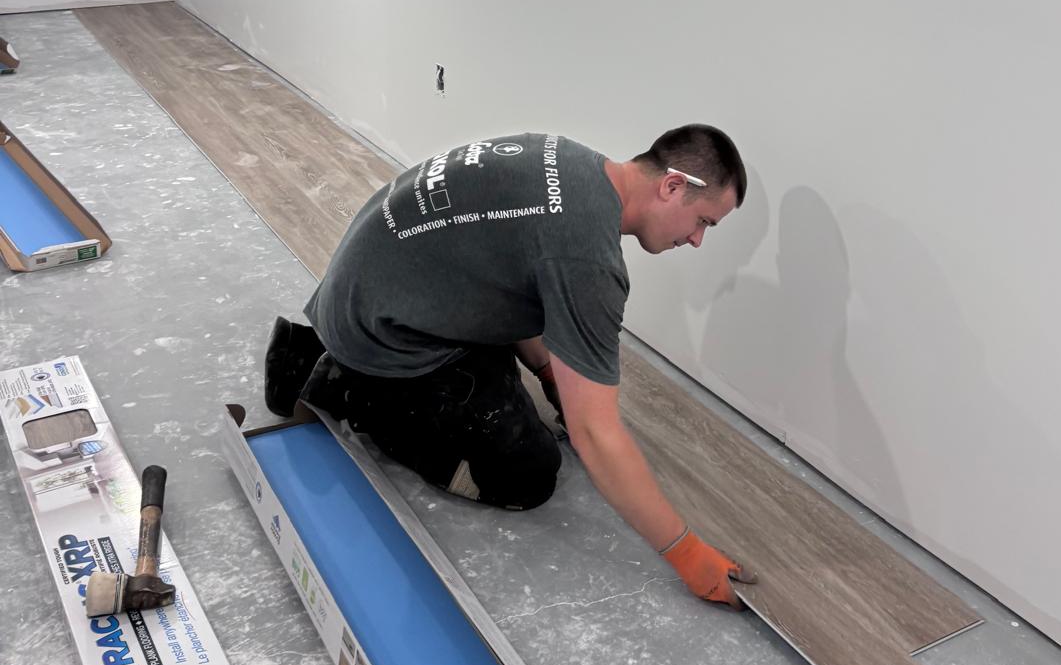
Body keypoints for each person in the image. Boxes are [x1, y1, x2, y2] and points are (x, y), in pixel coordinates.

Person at [265, 125, 754, 607]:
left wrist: (549, 374)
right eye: (703, 222)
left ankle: (344, 356)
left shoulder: (572, 160)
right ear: (672, 186)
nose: (697, 240)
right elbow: (594, 434)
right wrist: (687, 554)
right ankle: (346, 388)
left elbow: (505, 277)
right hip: (381, 337)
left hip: (364, 293)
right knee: (526, 473)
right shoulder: (587, 256)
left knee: (516, 392)